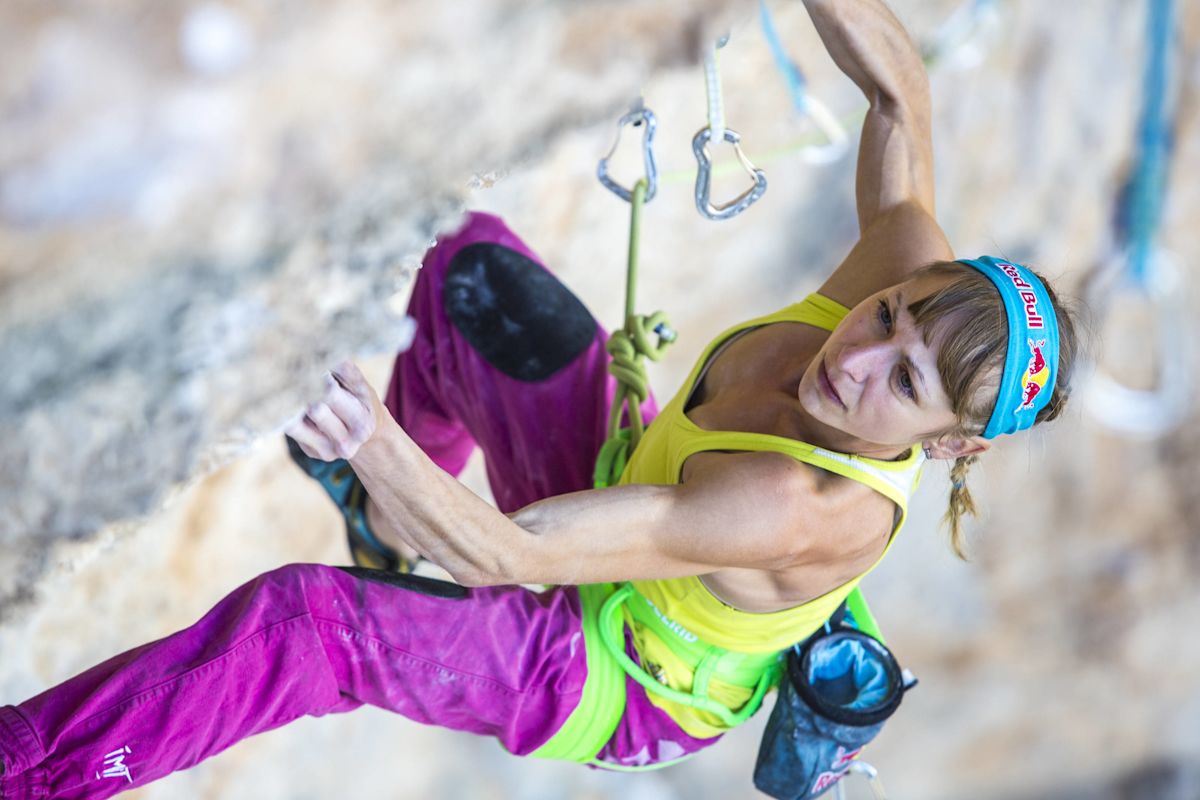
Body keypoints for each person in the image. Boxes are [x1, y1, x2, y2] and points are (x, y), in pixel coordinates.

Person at [0, 1, 1080, 797]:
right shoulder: (903, 278)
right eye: (888, 314)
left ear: (950, 446)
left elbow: (506, 556)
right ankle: (385, 524)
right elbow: (902, 94)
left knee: (306, 627)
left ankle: (27, 769)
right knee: (467, 269)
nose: (859, 354)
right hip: (625, 497)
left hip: (606, 670)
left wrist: (362, 430)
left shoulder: (791, 501)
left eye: (904, 383)